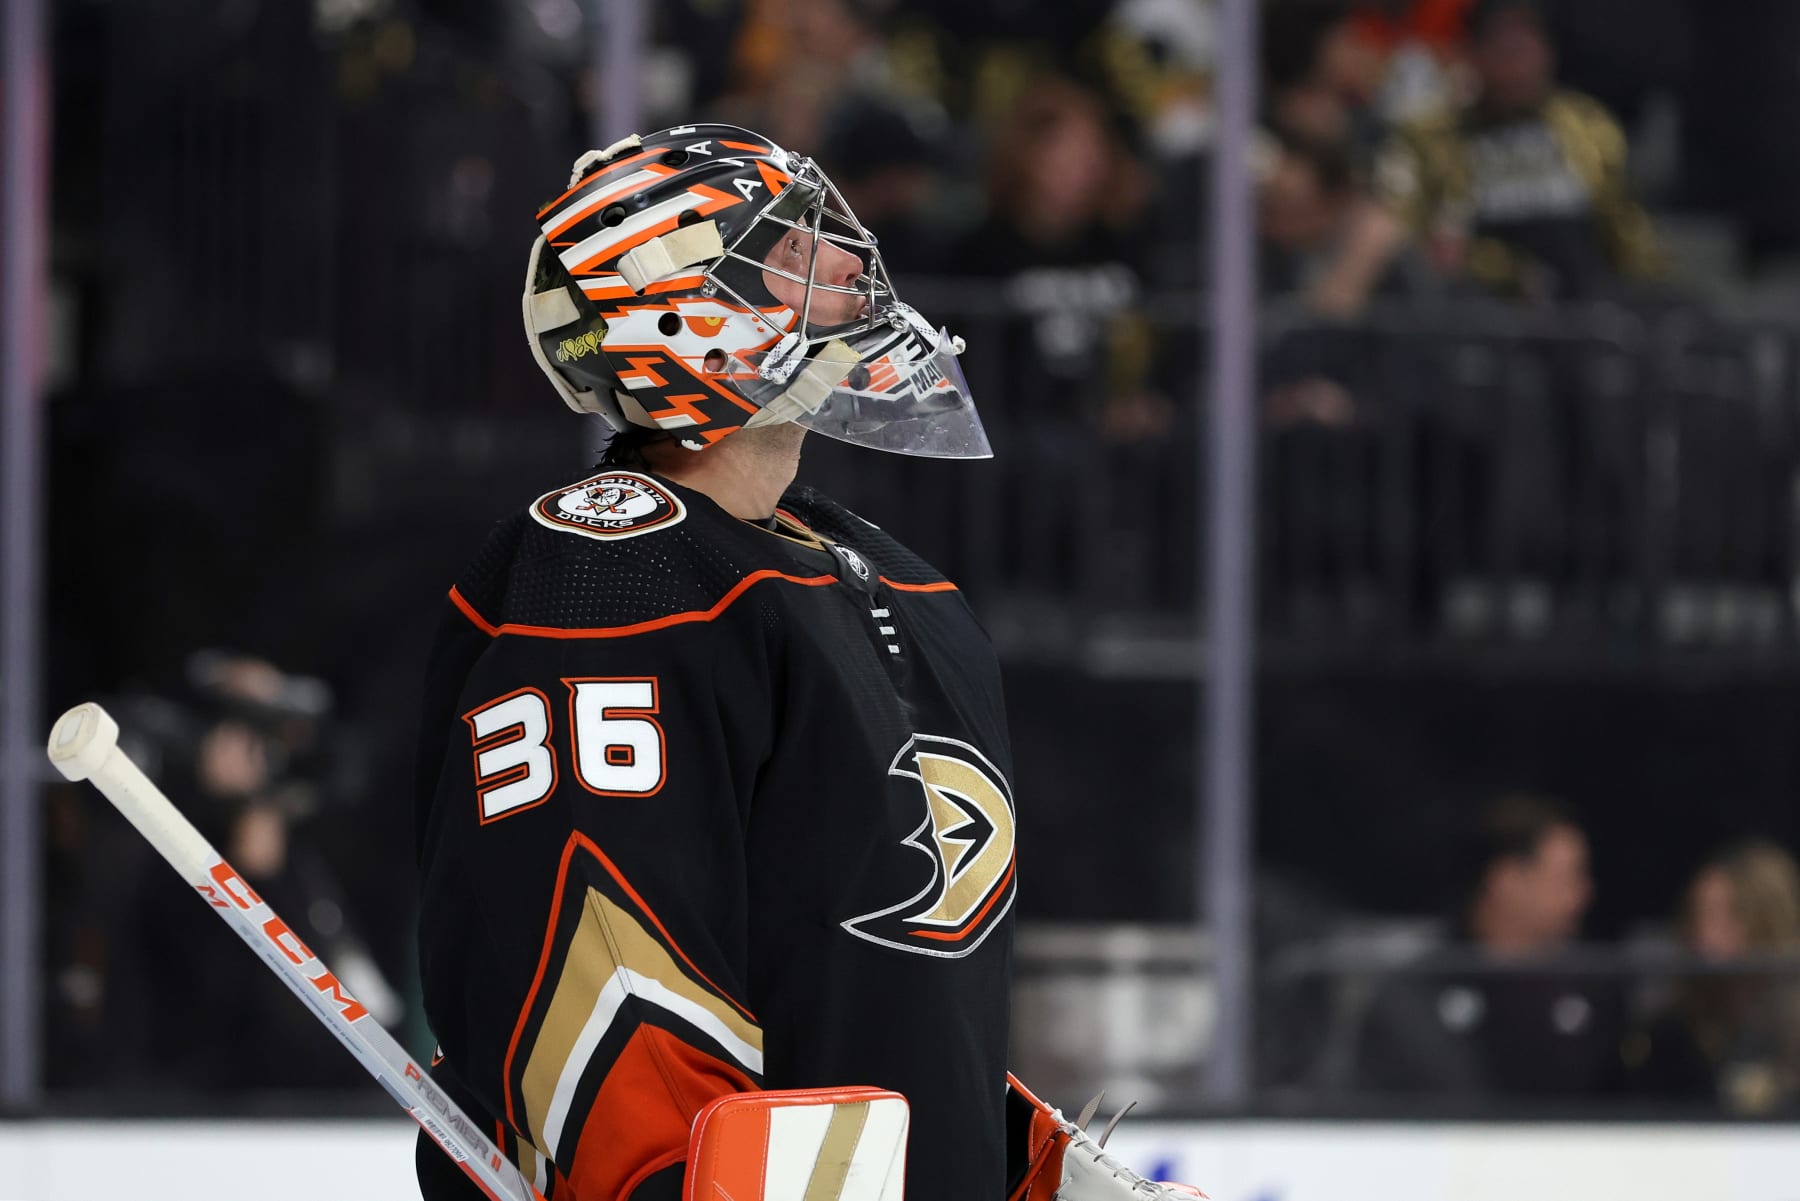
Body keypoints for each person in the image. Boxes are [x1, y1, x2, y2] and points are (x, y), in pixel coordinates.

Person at [412, 124, 1203, 1201]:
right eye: (789, 248)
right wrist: (661, 1180)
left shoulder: (890, 578)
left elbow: (881, 975)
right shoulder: (610, 569)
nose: (846, 259)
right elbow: (592, 960)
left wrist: (1021, 1162)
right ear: (680, 306)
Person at [1368, 0, 1662, 302]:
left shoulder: (1589, 128)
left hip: (1585, 305)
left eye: (1527, 52)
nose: (1516, 68)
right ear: (1474, 56)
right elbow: (1408, 238)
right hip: (1480, 309)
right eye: (1503, 53)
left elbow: (1625, 228)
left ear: (1549, 54)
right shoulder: (1433, 139)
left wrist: (1649, 290)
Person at [1351, 793, 1624, 1096]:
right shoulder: (1423, 985)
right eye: (1565, 878)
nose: (1582, 896)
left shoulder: (1595, 987)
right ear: (1505, 879)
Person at [1626, 840, 1800, 1114]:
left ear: (1768, 920)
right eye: (1697, 916)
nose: (1703, 934)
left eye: (1724, 916)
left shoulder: (1790, 1026)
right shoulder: (1674, 1033)